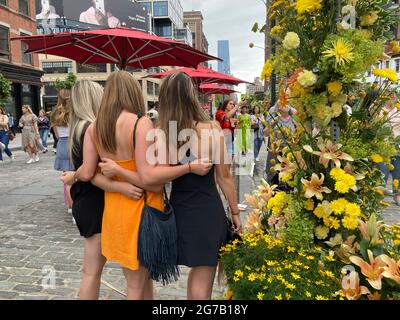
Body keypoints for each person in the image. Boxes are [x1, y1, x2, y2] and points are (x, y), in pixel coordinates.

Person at [68, 71, 212, 300]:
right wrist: (187, 167)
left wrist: (115, 179)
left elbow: (89, 173)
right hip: (143, 211)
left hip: (115, 211)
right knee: (136, 285)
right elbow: (151, 179)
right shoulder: (139, 123)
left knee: (138, 281)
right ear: (133, 92)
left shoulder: (95, 128)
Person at [99, 72, 242, 300]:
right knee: (202, 275)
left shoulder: (161, 132)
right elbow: (224, 178)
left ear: (165, 97)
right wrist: (235, 213)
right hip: (207, 210)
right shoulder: (213, 129)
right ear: (191, 95)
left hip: (177, 212)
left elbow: (154, 176)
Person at [60, 80, 145, 300]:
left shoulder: (79, 127)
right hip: (97, 204)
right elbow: (90, 172)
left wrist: (73, 176)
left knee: (91, 272)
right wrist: (121, 186)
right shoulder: (93, 127)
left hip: (85, 202)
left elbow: (82, 171)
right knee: (103, 273)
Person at [52, 89, 74, 215]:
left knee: (66, 178)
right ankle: (74, 206)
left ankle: (70, 205)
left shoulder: (55, 112)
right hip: (73, 143)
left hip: (62, 144)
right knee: (75, 177)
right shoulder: (74, 112)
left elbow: (56, 135)